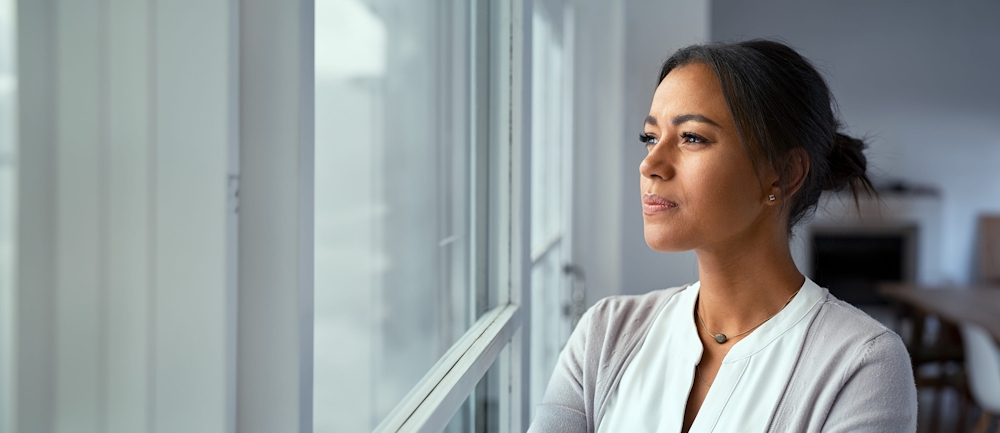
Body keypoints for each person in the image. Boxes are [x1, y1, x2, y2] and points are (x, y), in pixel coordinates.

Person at [527, 40, 918, 433]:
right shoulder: (606, 333)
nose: (650, 164)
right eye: (650, 137)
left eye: (692, 137)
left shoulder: (862, 365)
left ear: (782, 174)